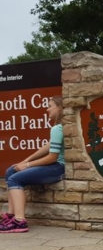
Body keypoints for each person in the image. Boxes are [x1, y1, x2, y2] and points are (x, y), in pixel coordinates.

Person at [0, 96, 66, 233]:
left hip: (57, 168)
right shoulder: (60, 127)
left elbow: (52, 157)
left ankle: (19, 221)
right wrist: (25, 161)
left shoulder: (57, 129)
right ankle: (11, 216)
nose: (47, 109)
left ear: (59, 108)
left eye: (50, 105)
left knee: (14, 178)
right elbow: (48, 147)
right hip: (56, 166)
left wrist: (28, 165)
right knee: (11, 171)